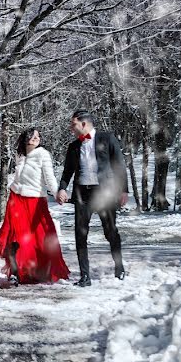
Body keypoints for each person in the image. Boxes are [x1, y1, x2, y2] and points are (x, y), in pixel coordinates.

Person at [56, 110, 128, 287]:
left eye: (73, 124)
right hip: (82, 194)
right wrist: (62, 189)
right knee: (80, 234)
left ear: (83, 124)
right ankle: (85, 276)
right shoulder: (73, 146)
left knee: (110, 231)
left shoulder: (107, 138)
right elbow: (67, 171)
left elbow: (119, 164)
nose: (70, 128)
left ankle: (119, 267)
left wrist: (123, 191)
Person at [0, 128, 70, 285]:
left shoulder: (43, 154)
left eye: (38, 136)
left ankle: (40, 270)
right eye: (32, 136)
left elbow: (49, 178)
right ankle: (15, 272)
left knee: (41, 237)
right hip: (16, 200)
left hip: (35, 201)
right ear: (25, 138)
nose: (36, 138)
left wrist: (57, 193)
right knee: (14, 237)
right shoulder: (19, 154)